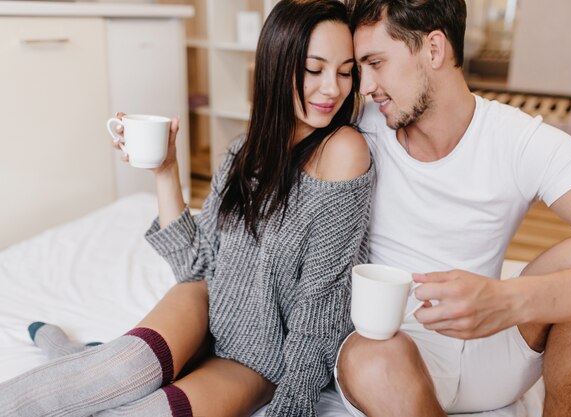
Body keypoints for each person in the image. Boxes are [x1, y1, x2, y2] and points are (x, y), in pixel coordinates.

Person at [0, 1, 372, 416]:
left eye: (345, 71)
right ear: (277, 63)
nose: (333, 89)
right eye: (314, 68)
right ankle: (92, 363)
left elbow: (321, 307)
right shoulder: (242, 154)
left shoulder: (344, 152)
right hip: (201, 306)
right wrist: (166, 170)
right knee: (113, 374)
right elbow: (196, 266)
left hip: (258, 361)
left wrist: (293, 406)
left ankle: (77, 358)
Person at [335, 0, 571, 416]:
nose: (365, 86)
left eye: (376, 62)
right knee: (370, 357)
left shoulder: (518, 140)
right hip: (393, 351)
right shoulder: (358, 132)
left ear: (434, 49)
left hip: (494, 347)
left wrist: (512, 300)